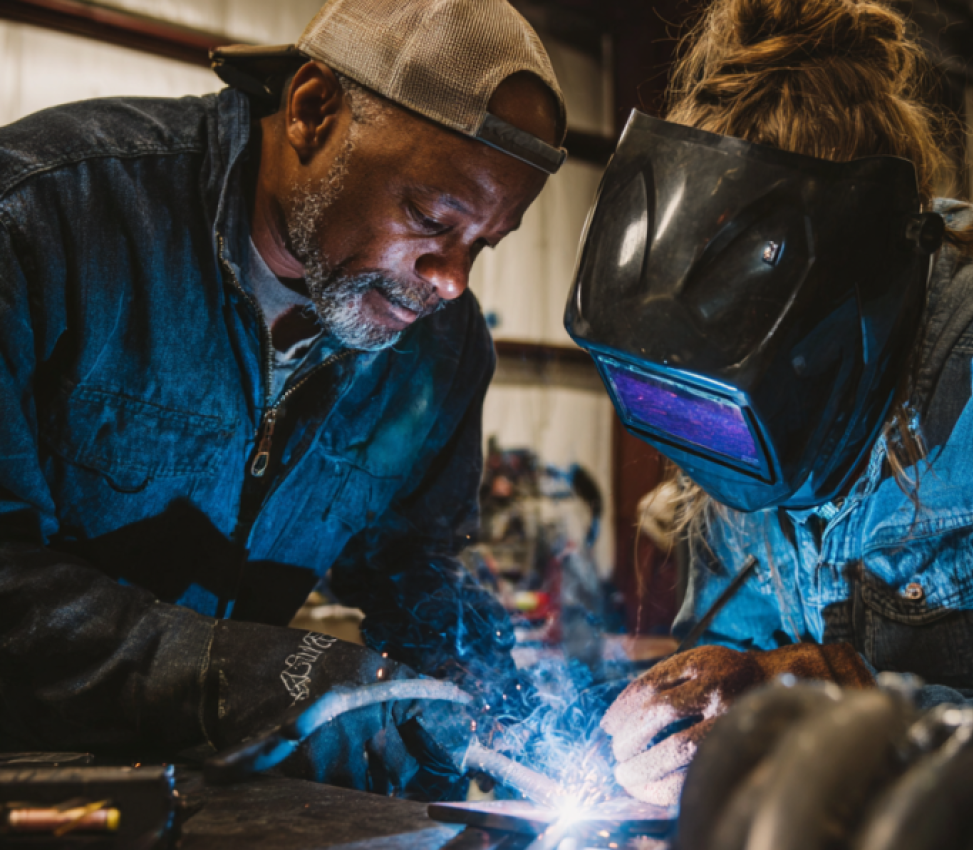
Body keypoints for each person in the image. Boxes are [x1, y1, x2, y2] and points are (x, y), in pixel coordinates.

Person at [566, 0, 973, 806]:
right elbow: (735, 669)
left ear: (853, 297)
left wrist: (860, 718)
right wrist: (697, 723)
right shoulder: (725, 383)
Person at [0, 0, 565, 795]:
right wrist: (239, 678)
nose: (451, 280)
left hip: (210, 791)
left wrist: (500, 707)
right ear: (312, 110)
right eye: (431, 217)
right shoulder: (40, 218)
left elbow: (409, 563)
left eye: (482, 245)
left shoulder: (441, 345)